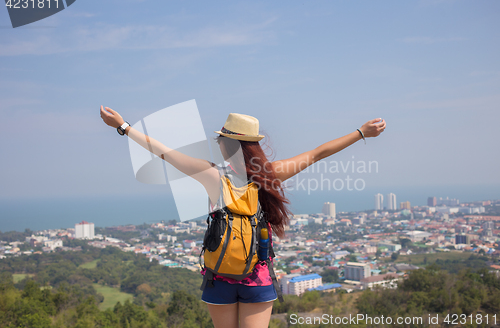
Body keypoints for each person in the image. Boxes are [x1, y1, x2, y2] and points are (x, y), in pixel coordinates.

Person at [100, 105, 386, 328]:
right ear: (253, 146)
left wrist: (123, 127)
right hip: (257, 275)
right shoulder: (268, 175)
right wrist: (361, 132)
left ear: (225, 144)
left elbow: (164, 153)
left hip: (219, 276)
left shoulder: (212, 176)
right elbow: (317, 154)